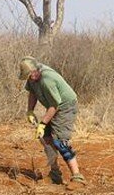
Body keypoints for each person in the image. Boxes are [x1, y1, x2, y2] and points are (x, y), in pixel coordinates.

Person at [19, 56, 85, 186]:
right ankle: (55, 174)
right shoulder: (32, 77)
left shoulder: (47, 80)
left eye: (31, 75)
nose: (30, 78)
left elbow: (54, 106)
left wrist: (42, 124)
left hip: (65, 106)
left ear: (36, 70)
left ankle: (77, 177)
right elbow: (32, 92)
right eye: (28, 76)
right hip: (53, 105)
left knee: (60, 142)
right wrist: (30, 111)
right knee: (46, 138)